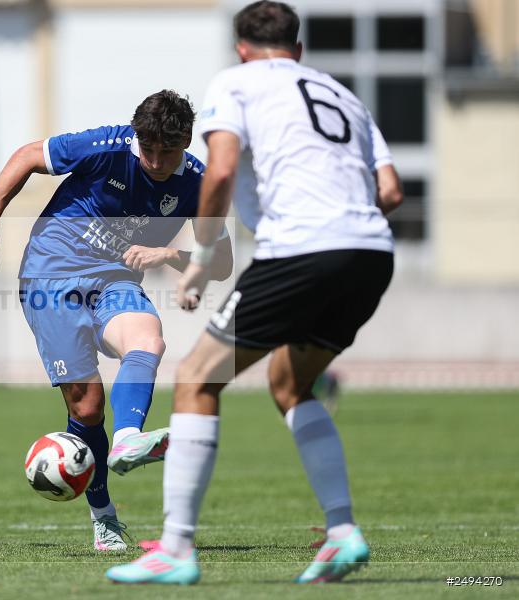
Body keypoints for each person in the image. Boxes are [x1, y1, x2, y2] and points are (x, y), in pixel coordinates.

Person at [107, 0, 403, 584]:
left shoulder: (236, 83)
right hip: (371, 252)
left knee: (196, 379)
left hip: (300, 250)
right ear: (297, 49)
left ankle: (175, 549)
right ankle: (342, 532)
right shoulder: (342, 94)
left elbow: (218, 172)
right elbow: (389, 190)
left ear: (242, 48)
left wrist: (199, 261)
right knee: (290, 382)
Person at [0, 90, 232, 551]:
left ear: (187, 141)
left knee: (148, 339)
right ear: (136, 137)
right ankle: (104, 516)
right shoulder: (106, 146)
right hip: (50, 271)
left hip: (114, 278)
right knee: (87, 408)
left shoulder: (199, 182)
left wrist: (171, 254)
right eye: (146, 148)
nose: (154, 160)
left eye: (165, 151)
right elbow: (28, 155)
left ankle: (128, 437)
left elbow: (224, 261)